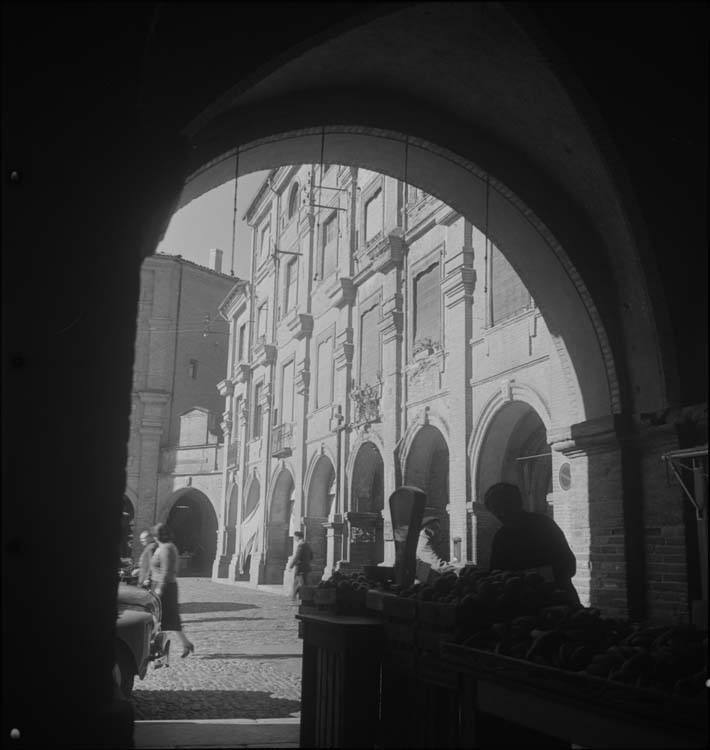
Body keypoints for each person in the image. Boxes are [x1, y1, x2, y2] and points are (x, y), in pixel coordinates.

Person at [483, 482, 581, 604]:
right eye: (496, 510)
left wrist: (526, 579)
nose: (501, 514)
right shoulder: (501, 537)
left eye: (504, 507)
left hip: (555, 600)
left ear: (517, 503)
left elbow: (568, 565)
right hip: (523, 604)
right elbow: (496, 573)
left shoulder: (543, 525)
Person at [150, 522, 195, 657]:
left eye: (155, 535)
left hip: (165, 587)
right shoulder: (163, 547)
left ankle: (155, 646)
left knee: (160, 618)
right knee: (165, 618)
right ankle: (186, 643)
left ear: (158, 535)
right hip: (159, 584)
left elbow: (167, 571)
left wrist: (159, 589)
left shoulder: (167, 548)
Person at [289, 530, 313, 602]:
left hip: (300, 567)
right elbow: (312, 556)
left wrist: (291, 566)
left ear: (297, 537)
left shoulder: (301, 545)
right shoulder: (307, 544)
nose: (294, 539)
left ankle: (294, 597)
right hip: (306, 567)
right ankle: (305, 598)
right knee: (303, 582)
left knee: (298, 583)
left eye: (295, 537)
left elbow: (297, 557)